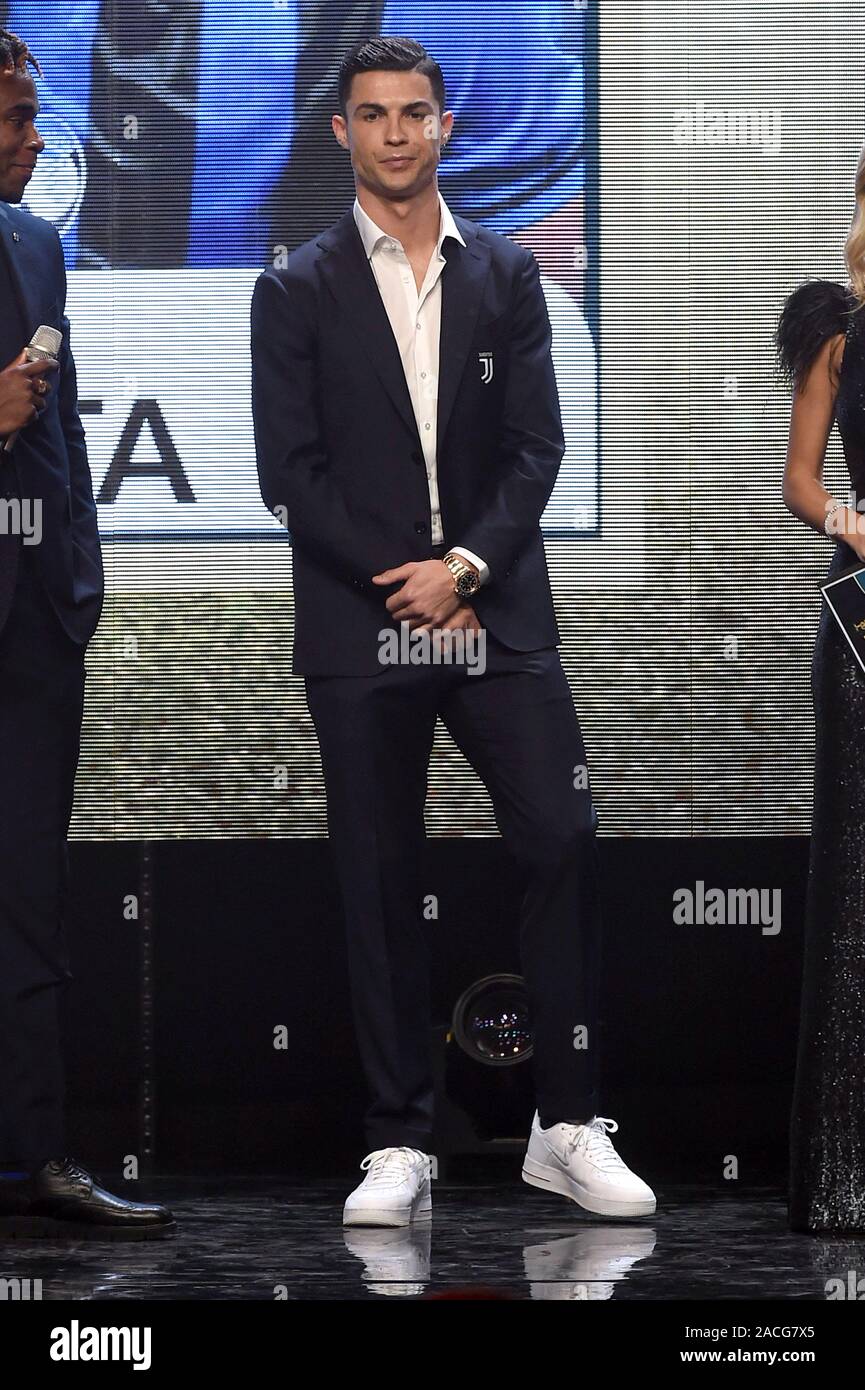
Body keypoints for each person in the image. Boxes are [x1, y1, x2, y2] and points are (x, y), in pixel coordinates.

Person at [251, 35, 655, 1227]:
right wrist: (405, 581)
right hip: (363, 617)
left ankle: (567, 1124)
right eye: (371, 114)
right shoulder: (294, 288)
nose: (392, 132)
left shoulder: (509, 279)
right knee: (378, 876)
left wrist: (466, 566)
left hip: (495, 611)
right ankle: (399, 1139)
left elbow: (539, 447)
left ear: (443, 127)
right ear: (341, 131)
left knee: (562, 838)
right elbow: (290, 473)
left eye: (412, 113)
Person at [0, 28, 174, 1238]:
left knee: (28, 898)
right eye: (14, 114)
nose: (33, 138)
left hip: (29, 631)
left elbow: (57, 446)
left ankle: (36, 1156)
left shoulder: (35, 244)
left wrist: (77, 587)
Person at [775, 157, 865, 1234]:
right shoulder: (842, 334)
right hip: (862, 630)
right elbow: (798, 480)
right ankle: (845, 1178)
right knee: (852, 900)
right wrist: (848, 518)